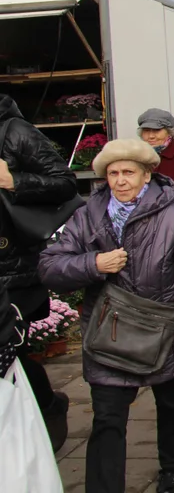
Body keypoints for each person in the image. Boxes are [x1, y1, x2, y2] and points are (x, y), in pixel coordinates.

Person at [39, 138, 174, 493]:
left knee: (172, 405)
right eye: (113, 173)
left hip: (165, 328)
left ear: (147, 176)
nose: (120, 180)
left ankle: (173, 468)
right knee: (108, 417)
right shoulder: (86, 216)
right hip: (108, 331)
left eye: (129, 172)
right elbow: (50, 266)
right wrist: (93, 263)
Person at [0, 93, 76, 451]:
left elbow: (64, 182)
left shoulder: (14, 131)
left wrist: (14, 181)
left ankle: (46, 405)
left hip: (11, 270)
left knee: (9, 354)